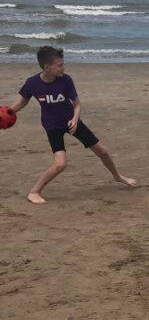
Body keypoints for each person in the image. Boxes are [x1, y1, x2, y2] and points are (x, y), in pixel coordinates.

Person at [8, 45, 136, 205]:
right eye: (60, 65)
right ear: (47, 67)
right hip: (52, 126)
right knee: (61, 163)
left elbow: (77, 104)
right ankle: (34, 192)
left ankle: (118, 176)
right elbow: (22, 101)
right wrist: (8, 112)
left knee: (103, 152)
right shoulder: (32, 83)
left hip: (72, 122)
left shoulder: (65, 80)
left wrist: (75, 119)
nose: (63, 67)